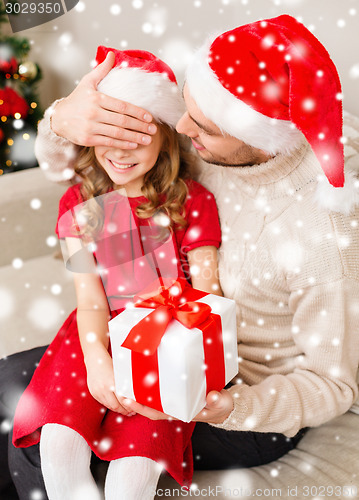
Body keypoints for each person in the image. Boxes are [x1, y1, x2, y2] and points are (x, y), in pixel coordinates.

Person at [1, 13, 359, 499]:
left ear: (255, 136)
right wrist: (63, 118)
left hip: (242, 399)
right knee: (10, 389)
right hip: (148, 334)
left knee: (35, 439)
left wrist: (228, 405)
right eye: (186, 107)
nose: (182, 125)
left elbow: (333, 387)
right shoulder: (203, 144)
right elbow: (83, 164)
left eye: (203, 127)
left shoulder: (321, 236)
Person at [11, 46, 225, 500]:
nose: (120, 151)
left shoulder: (194, 203)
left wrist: (184, 368)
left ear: (167, 137)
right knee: (59, 446)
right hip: (91, 334)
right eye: (110, 132)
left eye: (138, 136)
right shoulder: (78, 207)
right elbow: (90, 301)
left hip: (167, 339)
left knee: (134, 471)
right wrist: (98, 361)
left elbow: (208, 295)